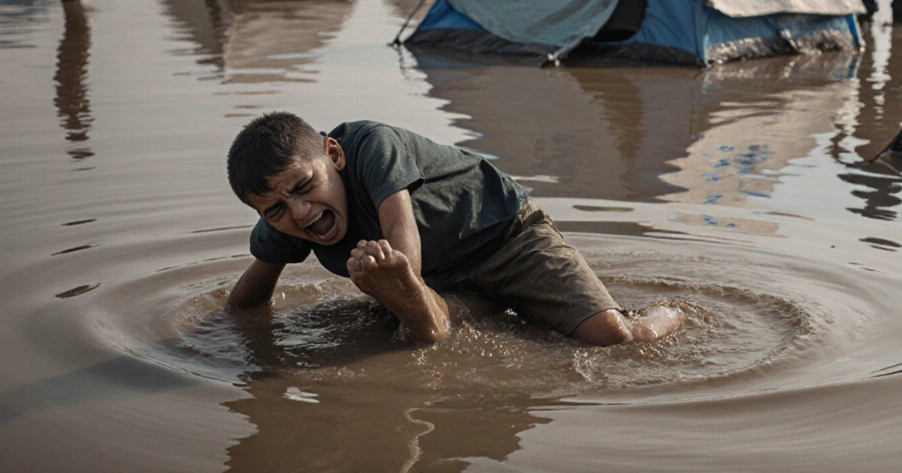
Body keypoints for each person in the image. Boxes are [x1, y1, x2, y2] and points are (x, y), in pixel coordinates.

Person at [224, 112, 685, 346]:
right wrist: (219, 341)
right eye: (276, 210)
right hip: (447, 282)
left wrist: (401, 285)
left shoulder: (370, 145)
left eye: (305, 187)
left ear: (333, 156)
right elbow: (251, 293)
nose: (300, 213)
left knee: (613, 338)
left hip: (508, 239)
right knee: (391, 334)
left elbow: (401, 228)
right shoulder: (286, 218)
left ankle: (670, 313)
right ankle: (467, 308)